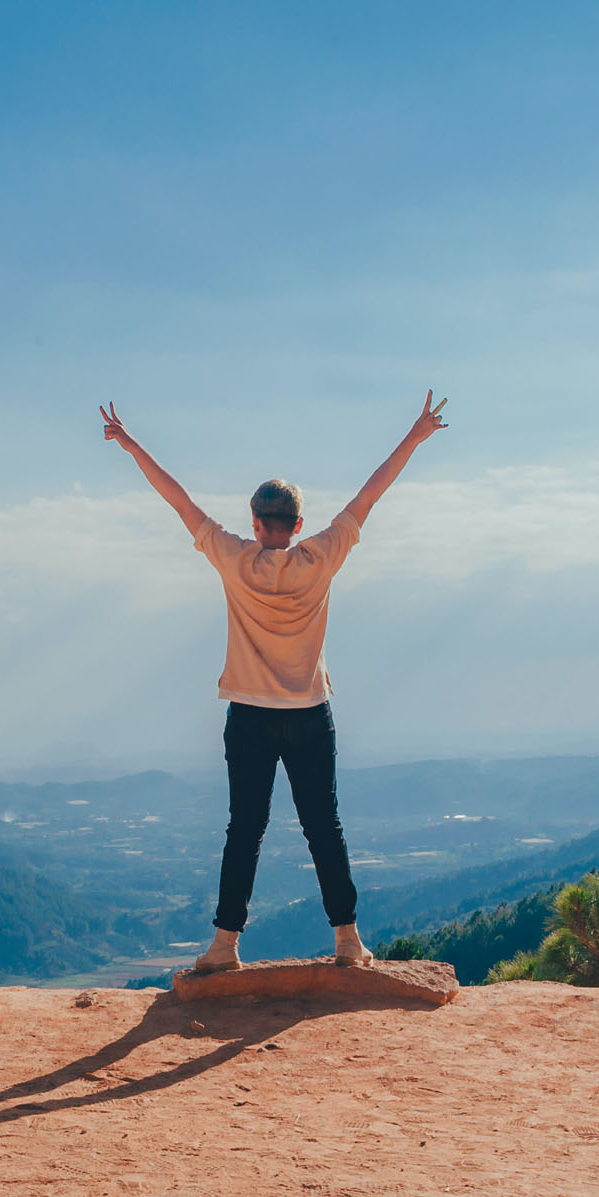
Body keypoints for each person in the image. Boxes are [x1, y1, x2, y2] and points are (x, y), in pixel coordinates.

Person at [100, 392, 450, 972]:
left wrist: (132, 444)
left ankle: (224, 946)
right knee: (324, 828)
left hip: (250, 714)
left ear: (256, 523)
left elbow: (179, 501)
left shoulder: (234, 559)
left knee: (245, 830)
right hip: (311, 711)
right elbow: (370, 495)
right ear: (299, 525)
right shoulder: (322, 556)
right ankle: (347, 942)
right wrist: (415, 435)